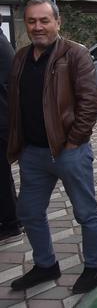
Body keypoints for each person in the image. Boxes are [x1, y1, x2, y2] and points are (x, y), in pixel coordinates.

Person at [7, 0, 97, 293]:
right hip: (33, 153)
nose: (38, 27)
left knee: (85, 212)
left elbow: (90, 101)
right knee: (29, 212)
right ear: (26, 25)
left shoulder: (75, 54)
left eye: (44, 20)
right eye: (32, 21)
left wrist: (74, 141)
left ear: (57, 22)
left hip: (69, 151)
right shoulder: (21, 57)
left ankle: (94, 267)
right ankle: (46, 265)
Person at [0, 16, 23, 245]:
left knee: (1, 176)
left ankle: (11, 223)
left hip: (2, 122)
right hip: (4, 120)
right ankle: (11, 219)